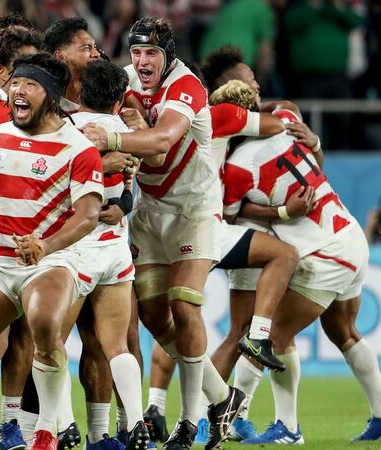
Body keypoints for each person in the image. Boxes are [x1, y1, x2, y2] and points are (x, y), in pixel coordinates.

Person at [82, 17, 245, 450]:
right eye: (137, 53)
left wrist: (113, 139)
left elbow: (162, 140)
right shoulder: (127, 80)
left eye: (151, 53)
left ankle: (190, 422)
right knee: (154, 316)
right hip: (150, 211)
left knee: (184, 306)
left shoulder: (186, 86)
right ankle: (222, 398)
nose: (142, 61)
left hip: (195, 208)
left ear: (168, 54)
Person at [0, 52, 104, 450]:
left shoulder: (78, 148)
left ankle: (47, 428)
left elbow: (88, 216)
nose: (17, 92)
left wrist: (46, 245)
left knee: (44, 324)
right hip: (1, 259)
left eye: (29, 85)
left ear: (52, 97)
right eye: (15, 84)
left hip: (52, 260)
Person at [222, 96, 381, 445]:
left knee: (267, 336)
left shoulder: (235, 168)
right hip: (350, 235)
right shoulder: (287, 121)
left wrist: (279, 213)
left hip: (326, 254)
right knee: (343, 330)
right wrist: (315, 141)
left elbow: (230, 215)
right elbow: (287, 102)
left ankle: (231, 420)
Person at [70, 59, 150, 450]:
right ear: (119, 100)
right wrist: (125, 202)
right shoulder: (127, 135)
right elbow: (131, 177)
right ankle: (134, 426)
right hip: (115, 250)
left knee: (48, 343)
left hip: (74, 250)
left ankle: (61, 429)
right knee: (116, 345)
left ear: (81, 90)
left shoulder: (65, 130)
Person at [43, 17, 101, 114]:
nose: (97, 54)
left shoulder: (105, 92)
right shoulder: (43, 102)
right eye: (86, 48)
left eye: (94, 47)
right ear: (60, 56)